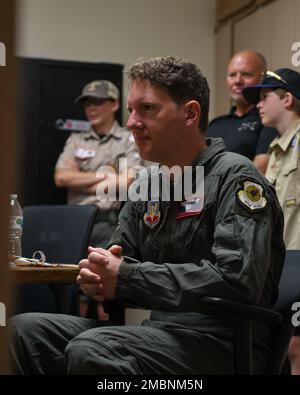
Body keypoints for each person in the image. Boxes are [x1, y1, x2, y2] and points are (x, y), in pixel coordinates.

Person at [9, 57, 285, 375]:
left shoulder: (235, 177)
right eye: (131, 110)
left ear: (190, 114)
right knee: (21, 331)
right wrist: (97, 277)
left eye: (148, 109)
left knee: (95, 349)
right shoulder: (148, 184)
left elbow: (238, 282)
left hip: (225, 344)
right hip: (161, 335)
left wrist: (126, 277)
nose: (132, 122)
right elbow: (118, 257)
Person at [243, 68, 300, 375]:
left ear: (287, 98)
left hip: (299, 260)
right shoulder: (277, 150)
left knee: (294, 347)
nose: (258, 105)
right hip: (284, 261)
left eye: (265, 97)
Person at [54, 79, 142, 247]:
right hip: (75, 221)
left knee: (103, 271)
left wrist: (80, 182)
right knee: (68, 270)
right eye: (87, 103)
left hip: (109, 223)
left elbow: (128, 181)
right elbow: (61, 177)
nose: (91, 108)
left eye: (98, 102)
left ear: (114, 104)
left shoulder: (128, 140)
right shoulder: (76, 139)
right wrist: (106, 176)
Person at [208, 50, 277, 174]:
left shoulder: (268, 120)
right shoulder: (215, 124)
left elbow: (259, 169)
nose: (237, 81)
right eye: (232, 75)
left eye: (246, 74)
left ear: (263, 78)